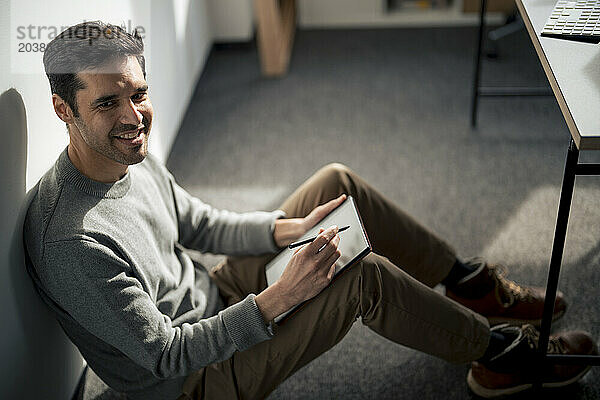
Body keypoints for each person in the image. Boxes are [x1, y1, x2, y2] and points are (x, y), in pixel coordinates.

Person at [24, 21, 596, 400]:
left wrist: (282, 229)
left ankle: (466, 281)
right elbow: (165, 356)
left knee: (333, 183)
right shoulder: (71, 242)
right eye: (108, 102)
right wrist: (280, 299)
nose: (135, 115)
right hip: (193, 379)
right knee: (361, 280)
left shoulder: (124, 149)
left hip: (214, 296)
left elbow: (193, 220)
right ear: (63, 108)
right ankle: (497, 355)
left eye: (138, 93)